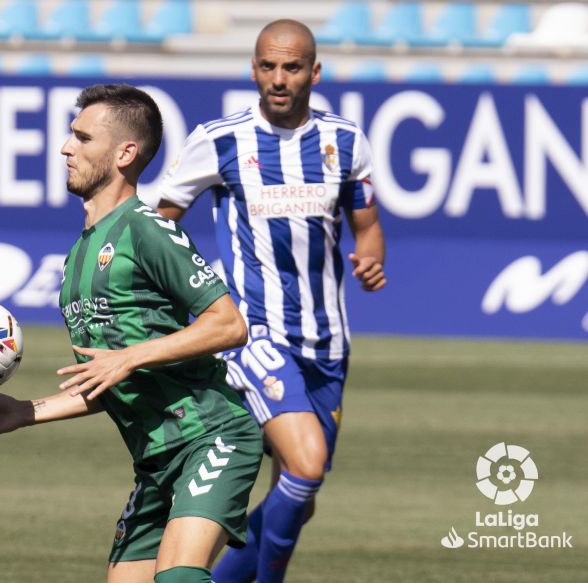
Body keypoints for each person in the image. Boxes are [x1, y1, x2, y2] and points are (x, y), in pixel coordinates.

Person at [0, 84, 264, 583]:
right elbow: (111, 380)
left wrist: (128, 358)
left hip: (212, 436)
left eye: (82, 138)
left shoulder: (146, 229)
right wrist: (26, 413)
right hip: (154, 460)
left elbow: (228, 324)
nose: (66, 147)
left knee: (178, 577)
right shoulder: (76, 259)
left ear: (125, 153)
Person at [155, 20, 387, 583]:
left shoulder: (345, 141)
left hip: (327, 342)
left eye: (291, 67)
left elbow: (368, 224)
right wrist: (196, 295)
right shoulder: (220, 138)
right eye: (267, 66)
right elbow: (160, 221)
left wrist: (371, 256)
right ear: (253, 69)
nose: (278, 79)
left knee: (300, 495)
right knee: (305, 467)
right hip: (255, 334)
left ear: (314, 72)